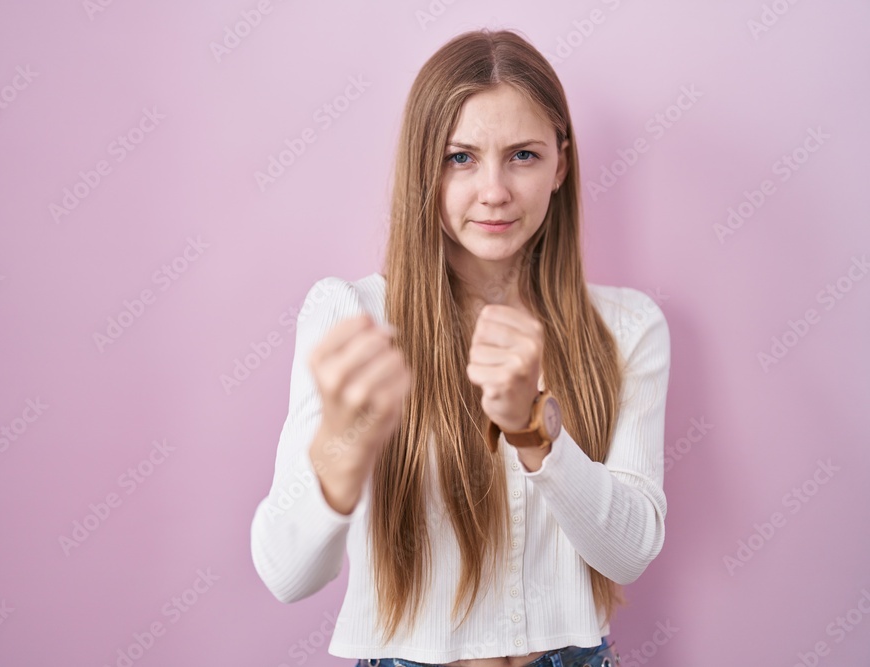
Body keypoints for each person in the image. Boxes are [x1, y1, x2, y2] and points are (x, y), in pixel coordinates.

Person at [250, 27, 671, 667]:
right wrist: (343, 454)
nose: (494, 191)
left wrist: (536, 433)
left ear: (560, 164)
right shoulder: (353, 315)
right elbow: (286, 573)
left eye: (523, 155)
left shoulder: (629, 326)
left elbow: (630, 552)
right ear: (425, 166)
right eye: (461, 157)